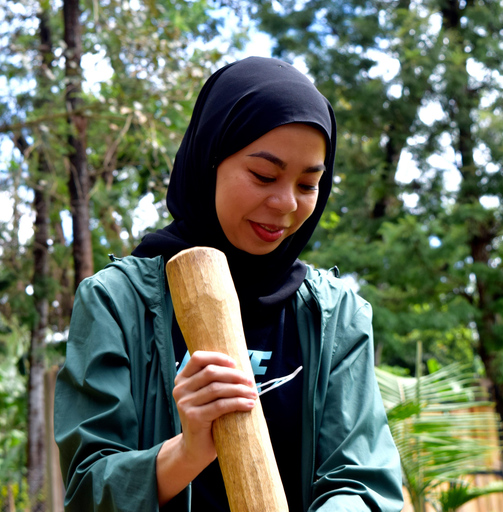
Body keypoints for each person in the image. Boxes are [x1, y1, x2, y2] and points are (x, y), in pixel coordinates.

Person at [54, 57, 404, 512]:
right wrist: (188, 450)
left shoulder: (336, 316)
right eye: (263, 175)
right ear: (210, 158)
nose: (285, 203)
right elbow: (88, 491)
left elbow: (363, 482)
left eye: (308, 183)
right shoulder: (117, 302)